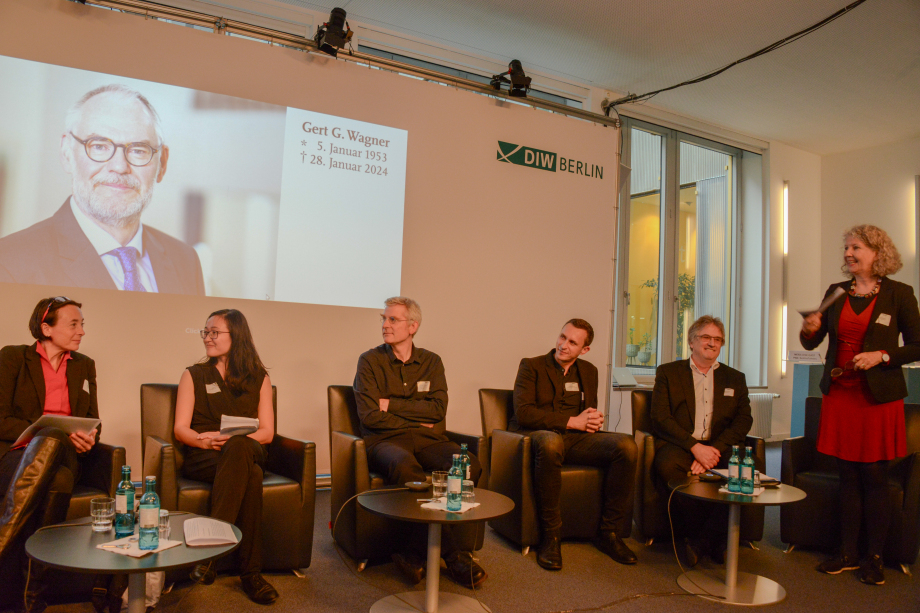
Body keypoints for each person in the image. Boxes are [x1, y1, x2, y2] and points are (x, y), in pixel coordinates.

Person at [0, 84, 205, 295]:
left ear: (162, 163)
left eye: (138, 150)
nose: (119, 166)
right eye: (99, 146)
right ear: (67, 153)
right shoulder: (10, 263)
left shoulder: (186, 261)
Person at [801, 224, 920, 586]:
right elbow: (812, 343)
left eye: (856, 248)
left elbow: (917, 345)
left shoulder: (900, 294)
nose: (848, 254)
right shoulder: (836, 293)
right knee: (847, 476)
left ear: (877, 253)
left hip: (877, 399)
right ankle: (848, 552)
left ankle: (875, 556)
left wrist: (882, 355)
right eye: (847, 248)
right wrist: (809, 328)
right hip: (840, 394)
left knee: (874, 477)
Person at [353, 296, 486, 588]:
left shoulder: (431, 361)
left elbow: (437, 411)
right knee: (406, 467)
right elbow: (370, 416)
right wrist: (413, 416)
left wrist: (392, 404)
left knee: (468, 465)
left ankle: (411, 552)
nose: (385, 325)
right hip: (383, 440)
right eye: (383, 319)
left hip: (428, 438)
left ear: (412, 326)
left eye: (393, 320)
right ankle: (454, 556)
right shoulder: (370, 361)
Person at [511, 319, 639, 570]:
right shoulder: (531, 366)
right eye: (562, 337)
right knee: (551, 442)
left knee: (627, 445)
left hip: (574, 439)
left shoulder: (589, 371)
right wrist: (572, 421)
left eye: (572, 342)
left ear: (585, 349)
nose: (563, 345)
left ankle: (609, 532)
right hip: (538, 436)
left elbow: (587, 412)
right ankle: (551, 535)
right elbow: (524, 413)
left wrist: (592, 421)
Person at [0, 296, 99, 612]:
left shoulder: (84, 365)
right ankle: (31, 596)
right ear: (46, 327)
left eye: (82, 324)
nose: (81, 331)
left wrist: (90, 437)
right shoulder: (13, 358)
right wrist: (42, 431)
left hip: (68, 452)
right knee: (58, 479)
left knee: (56, 439)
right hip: (17, 455)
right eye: (74, 324)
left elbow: (93, 418)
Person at [173, 309, 278, 604]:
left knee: (240, 447)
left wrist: (232, 439)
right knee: (252, 474)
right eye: (205, 331)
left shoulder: (259, 378)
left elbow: (267, 433)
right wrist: (204, 442)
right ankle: (251, 575)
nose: (208, 337)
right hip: (206, 454)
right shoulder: (193, 374)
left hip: (246, 448)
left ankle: (211, 553)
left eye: (215, 332)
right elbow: (181, 428)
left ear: (237, 336)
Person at [650, 315, 752, 566]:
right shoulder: (668, 373)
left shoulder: (735, 378)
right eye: (706, 337)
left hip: (719, 446)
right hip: (682, 444)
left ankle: (702, 538)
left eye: (718, 339)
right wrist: (696, 449)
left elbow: (744, 420)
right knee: (667, 467)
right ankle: (711, 538)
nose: (712, 343)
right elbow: (660, 417)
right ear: (691, 342)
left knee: (744, 471)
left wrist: (713, 451)